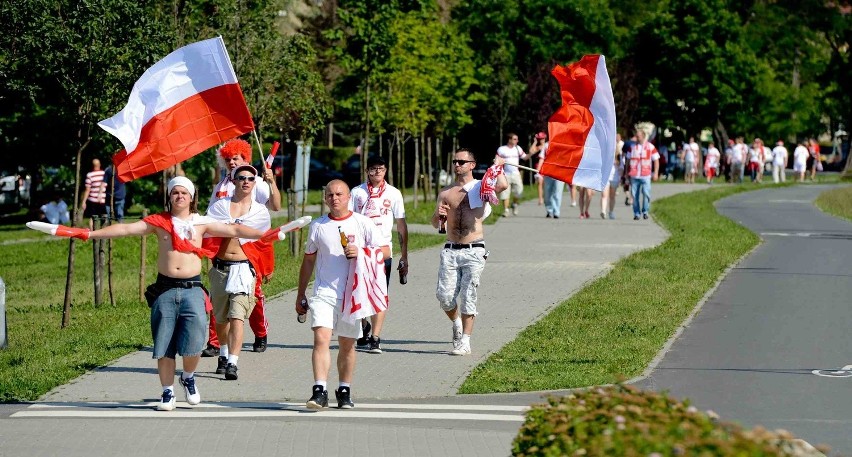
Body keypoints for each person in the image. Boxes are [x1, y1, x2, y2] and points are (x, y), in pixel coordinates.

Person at [28, 176, 269, 411]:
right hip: (164, 289)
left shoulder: (201, 223)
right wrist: (89, 234)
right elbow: (125, 229)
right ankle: (167, 391)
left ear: (191, 198)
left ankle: (188, 377)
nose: (179, 196)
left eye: (184, 192)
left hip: (193, 288)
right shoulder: (159, 222)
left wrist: (268, 234)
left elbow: (235, 229)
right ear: (169, 197)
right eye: (175, 192)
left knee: (195, 344)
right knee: (164, 344)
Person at [295, 180, 389, 410]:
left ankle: (344, 389)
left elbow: (385, 250)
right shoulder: (318, 225)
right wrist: (300, 293)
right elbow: (308, 260)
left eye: (339, 194)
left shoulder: (362, 223)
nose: (334, 198)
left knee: (347, 345)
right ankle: (319, 390)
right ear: (325, 198)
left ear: (348, 197)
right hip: (323, 292)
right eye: (330, 195)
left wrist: (362, 252)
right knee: (321, 339)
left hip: (352, 293)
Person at [203, 138, 282, 357]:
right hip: (224, 249)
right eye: (227, 159)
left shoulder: (254, 180)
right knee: (219, 298)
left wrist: (272, 182)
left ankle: (260, 332)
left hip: (251, 248)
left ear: (245, 158)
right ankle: (215, 342)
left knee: (253, 294)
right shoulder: (221, 186)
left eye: (235, 158)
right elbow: (210, 216)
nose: (231, 162)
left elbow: (276, 206)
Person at [432, 149, 508, 356]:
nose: (457, 165)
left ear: (472, 165)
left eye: (462, 162)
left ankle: (465, 341)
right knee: (444, 297)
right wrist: (439, 216)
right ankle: (456, 322)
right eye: (455, 161)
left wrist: (498, 166)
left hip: (474, 250)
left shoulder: (480, 187)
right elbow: (435, 224)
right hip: (450, 250)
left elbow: (502, 185)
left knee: (468, 295)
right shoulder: (446, 192)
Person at [206, 165, 273, 380]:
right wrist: (228, 227)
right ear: (233, 181)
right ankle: (223, 354)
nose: (246, 181)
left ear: (255, 183)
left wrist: (267, 268)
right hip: (220, 267)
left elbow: (264, 243)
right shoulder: (220, 206)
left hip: (244, 268)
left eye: (250, 178)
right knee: (220, 317)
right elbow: (207, 232)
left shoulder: (259, 211)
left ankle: (233, 363)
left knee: (237, 316)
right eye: (241, 177)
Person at [349, 155, 409, 354]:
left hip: (382, 251)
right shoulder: (357, 192)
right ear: (367, 170)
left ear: (386, 171)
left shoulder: (393, 193)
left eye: (381, 169)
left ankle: (375, 337)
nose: (377, 173)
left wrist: (404, 255)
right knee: (357, 292)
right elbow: (347, 219)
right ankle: (363, 326)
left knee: (379, 294)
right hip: (359, 251)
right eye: (373, 169)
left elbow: (401, 225)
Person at [626, 130, 659, 220]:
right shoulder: (632, 147)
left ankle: (645, 211)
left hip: (646, 175)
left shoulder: (650, 147)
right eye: (636, 136)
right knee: (634, 196)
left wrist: (655, 173)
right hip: (634, 175)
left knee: (646, 193)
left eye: (638, 136)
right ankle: (636, 213)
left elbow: (656, 160)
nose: (637, 138)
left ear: (643, 136)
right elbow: (628, 161)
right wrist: (626, 173)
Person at [495, 133, 530, 217]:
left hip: (516, 174)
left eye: (517, 139)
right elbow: (496, 161)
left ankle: (514, 203)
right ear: (509, 139)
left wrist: (532, 152)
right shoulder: (502, 149)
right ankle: (506, 210)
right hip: (505, 174)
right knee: (505, 193)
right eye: (515, 139)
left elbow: (525, 157)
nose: (517, 141)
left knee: (519, 191)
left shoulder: (518, 148)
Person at [535, 133, 564, 219]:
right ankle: (549, 210)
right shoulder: (546, 146)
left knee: (557, 192)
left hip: (560, 174)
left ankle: (556, 212)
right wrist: (538, 172)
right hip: (548, 173)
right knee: (547, 193)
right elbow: (541, 158)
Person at [80, 158, 107, 227]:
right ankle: (103, 232)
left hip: (92, 199)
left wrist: (84, 201)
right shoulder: (104, 173)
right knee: (104, 217)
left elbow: (87, 189)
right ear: (99, 165)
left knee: (92, 217)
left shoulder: (89, 175)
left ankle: (92, 232)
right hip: (102, 199)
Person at [529, 132, 548, 206]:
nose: (541, 140)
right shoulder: (539, 147)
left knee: (545, 184)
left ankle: (545, 197)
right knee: (540, 183)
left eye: (542, 139)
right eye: (539, 139)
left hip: (546, 166)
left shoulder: (547, 145)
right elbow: (531, 151)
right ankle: (540, 199)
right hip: (539, 166)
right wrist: (535, 142)